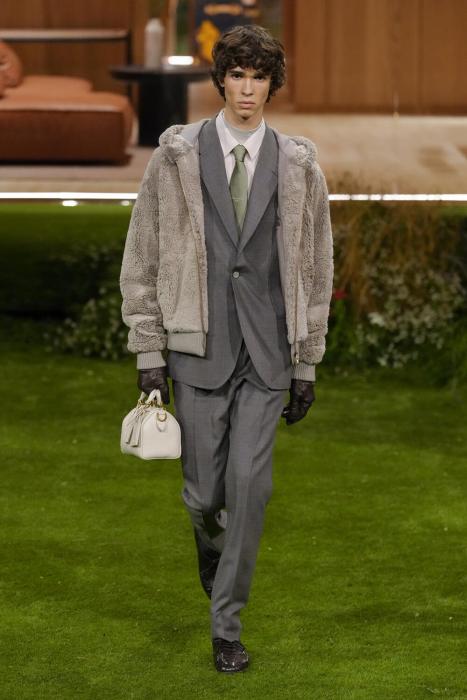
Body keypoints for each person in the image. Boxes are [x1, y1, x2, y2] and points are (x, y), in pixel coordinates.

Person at [120, 24, 334, 673]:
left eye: (258, 77)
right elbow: (144, 255)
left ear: (272, 85)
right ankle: (208, 545)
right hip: (199, 347)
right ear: (220, 80)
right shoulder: (176, 157)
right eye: (237, 75)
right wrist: (149, 353)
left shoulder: (298, 165)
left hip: (268, 353)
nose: (246, 89)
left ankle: (226, 627)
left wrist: (305, 361)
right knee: (202, 494)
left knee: (249, 486)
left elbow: (315, 266)